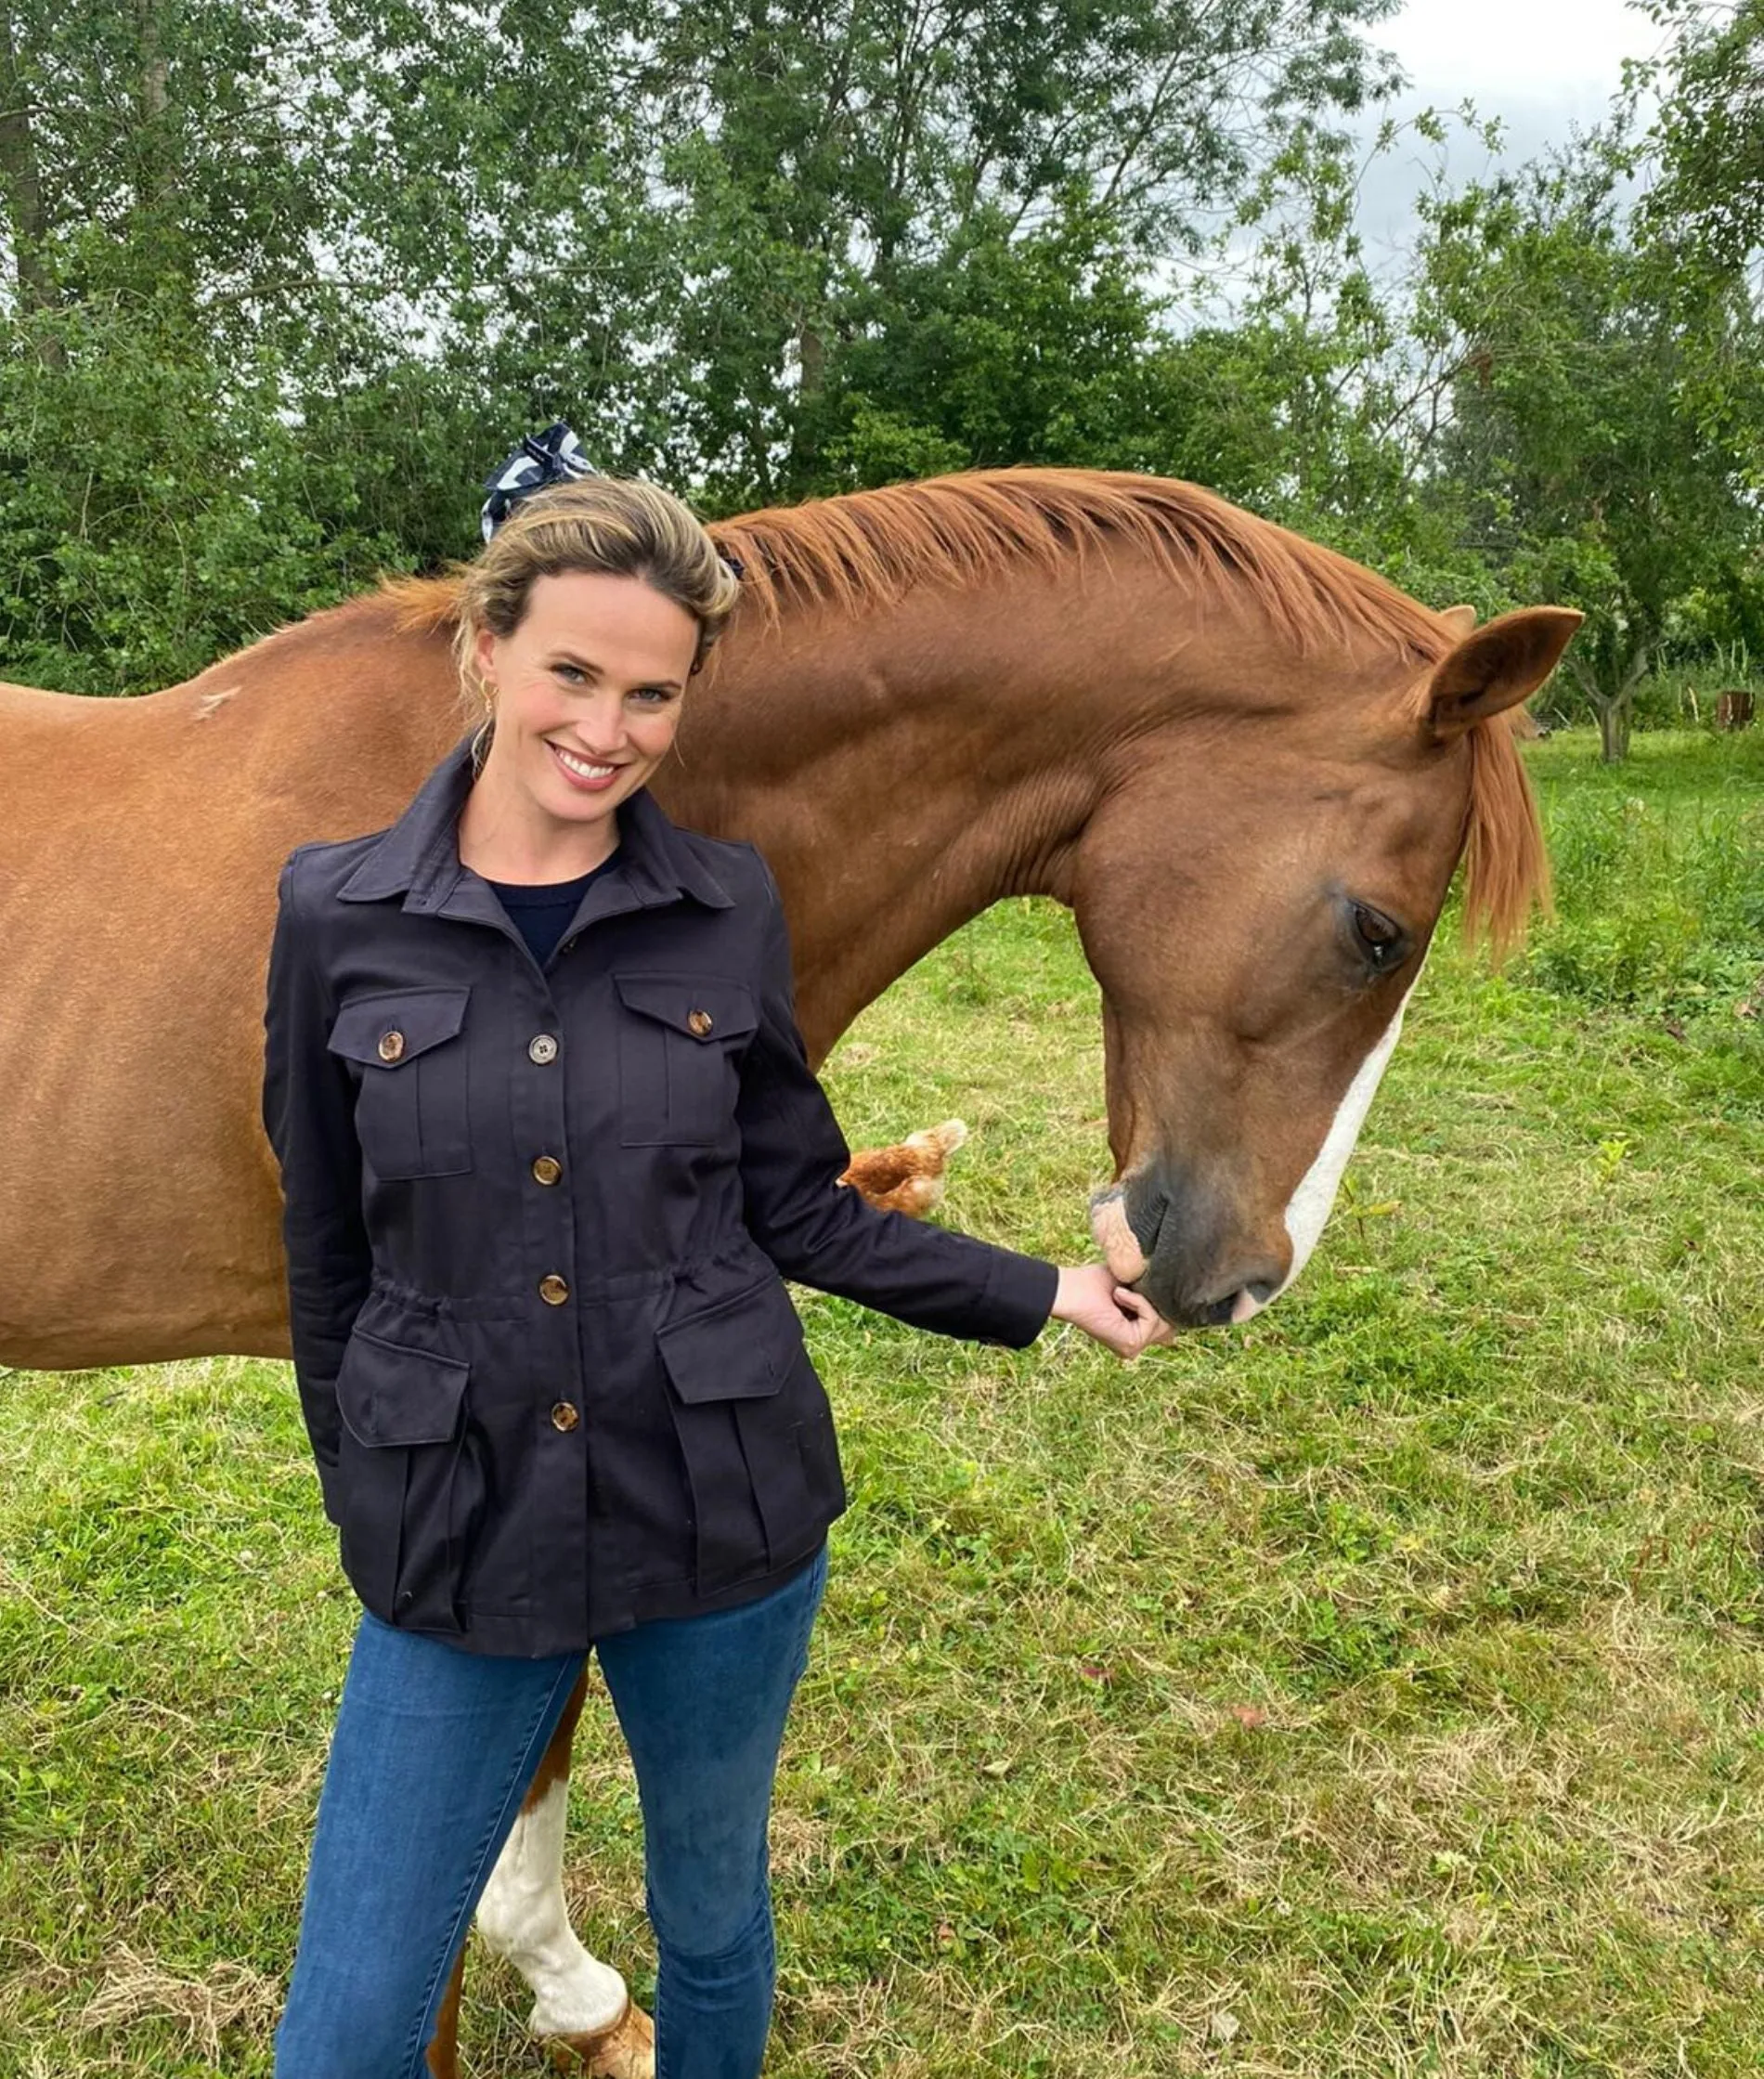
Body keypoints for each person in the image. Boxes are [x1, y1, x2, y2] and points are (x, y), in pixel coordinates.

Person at [260, 423, 1170, 2079]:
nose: (607, 733)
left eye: (655, 697)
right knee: (345, 2021)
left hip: (724, 1512)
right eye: (573, 674)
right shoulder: (336, 912)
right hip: (456, 1535)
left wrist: (1048, 1291)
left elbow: (796, 1198)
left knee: (711, 1923)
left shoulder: (723, 909)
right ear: (485, 647)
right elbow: (324, 1248)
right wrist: (366, 1481)